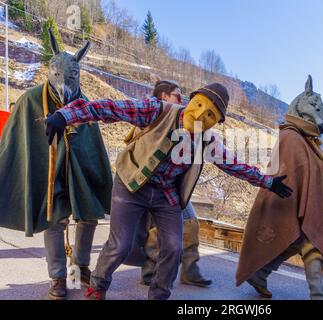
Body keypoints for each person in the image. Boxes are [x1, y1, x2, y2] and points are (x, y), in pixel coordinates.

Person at [45, 82, 293, 300]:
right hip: (132, 184)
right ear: (191, 100)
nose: (200, 116)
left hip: (166, 195)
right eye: (199, 105)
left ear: (215, 122)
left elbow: (234, 165)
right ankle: (98, 286)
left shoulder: (208, 141)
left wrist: (268, 182)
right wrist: (65, 116)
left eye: (210, 115)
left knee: (174, 248)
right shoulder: (157, 110)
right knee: (120, 244)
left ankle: (159, 295)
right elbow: (109, 108)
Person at [0, 29, 113, 300]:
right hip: (48, 173)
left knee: (88, 215)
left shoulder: (87, 105)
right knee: (55, 220)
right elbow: (15, 142)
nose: (63, 83)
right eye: (58, 75)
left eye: (70, 77)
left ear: (78, 76)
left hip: (80, 173)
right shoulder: (30, 100)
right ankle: (58, 278)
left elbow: (92, 145)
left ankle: (82, 266)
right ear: (50, 72)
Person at [236, 75, 323, 300]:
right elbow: (291, 170)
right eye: (315, 107)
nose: (320, 115)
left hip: (301, 202)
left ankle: (261, 273)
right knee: (308, 242)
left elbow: (312, 169)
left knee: (299, 240)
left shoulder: (305, 139)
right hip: (289, 200)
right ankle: (318, 294)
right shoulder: (291, 137)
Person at [130, 80, 212, 287]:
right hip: (147, 183)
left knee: (191, 222)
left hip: (172, 184)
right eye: (177, 94)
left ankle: (190, 270)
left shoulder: (182, 118)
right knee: (154, 229)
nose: (181, 99)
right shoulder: (152, 113)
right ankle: (150, 271)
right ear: (164, 96)